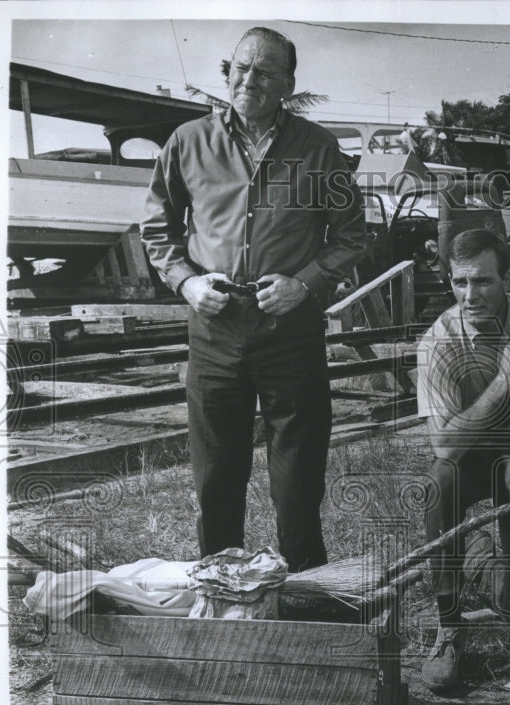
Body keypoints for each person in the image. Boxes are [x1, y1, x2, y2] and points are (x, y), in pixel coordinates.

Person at [140, 27, 366, 572]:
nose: (250, 80)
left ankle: (307, 587)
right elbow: (157, 228)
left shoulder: (318, 147)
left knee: (297, 471)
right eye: (241, 68)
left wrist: (305, 283)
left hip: (289, 326)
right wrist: (187, 282)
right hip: (215, 323)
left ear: (288, 83)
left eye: (266, 72)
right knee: (216, 469)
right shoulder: (188, 141)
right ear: (229, 71)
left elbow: (352, 235)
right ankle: (221, 589)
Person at [414, 228, 510, 693]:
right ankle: (449, 624)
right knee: (439, 483)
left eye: (484, 282)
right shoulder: (438, 341)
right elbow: (445, 445)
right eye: (460, 282)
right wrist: (507, 376)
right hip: (465, 457)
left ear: (508, 278)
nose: (470, 295)